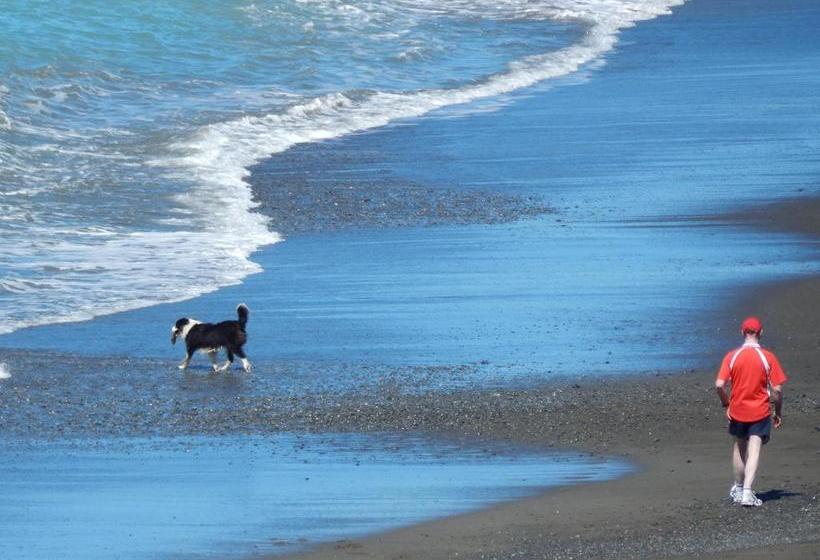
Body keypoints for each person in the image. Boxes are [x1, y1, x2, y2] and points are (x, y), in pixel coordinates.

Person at [715, 316, 786, 507]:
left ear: (742, 332)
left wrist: (726, 404)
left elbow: (719, 385)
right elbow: (777, 390)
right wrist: (778, 411)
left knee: (739, 448)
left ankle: (739, 489)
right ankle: (747, 492)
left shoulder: (732, 356)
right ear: (761, 333)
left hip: (737, 410)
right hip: (759, 411)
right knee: (754, 450)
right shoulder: (767, 357)